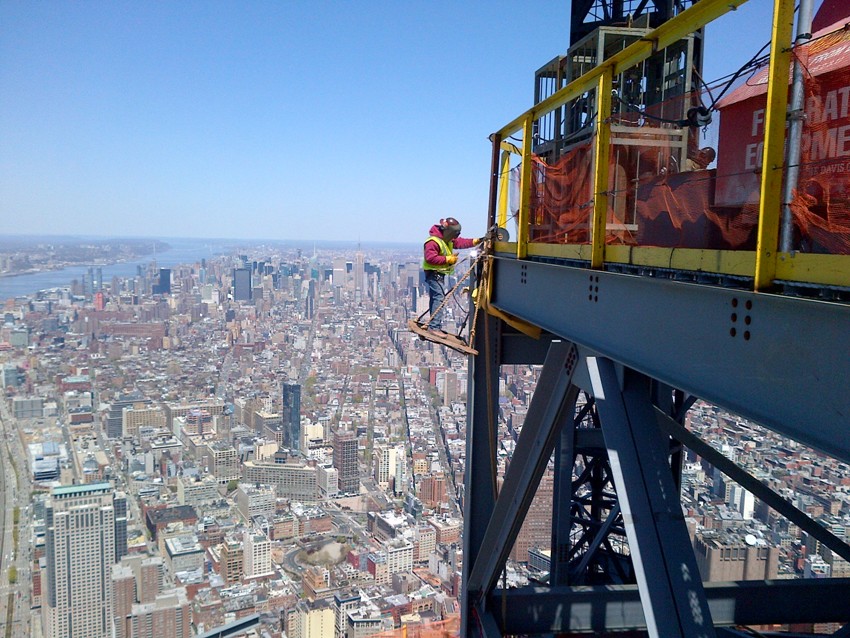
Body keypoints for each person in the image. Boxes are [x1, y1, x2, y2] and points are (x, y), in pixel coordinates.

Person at [422, 217, 481, 334]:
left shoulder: (446, 239)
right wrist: (448, 259)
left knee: (436, 298)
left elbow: (460, 242)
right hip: (433, 273)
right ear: (448, 232)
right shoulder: (433, 242)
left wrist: (477, 241)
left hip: (438, 274)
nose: (455, 237)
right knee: (439, 298)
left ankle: (433, 324)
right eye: (454, 234)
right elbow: (430, 258)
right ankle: (434, 327)